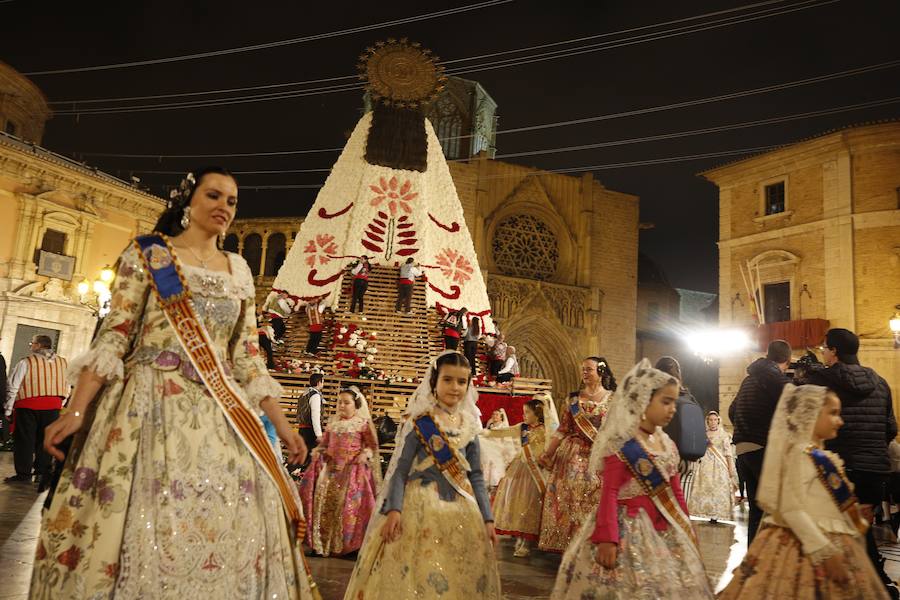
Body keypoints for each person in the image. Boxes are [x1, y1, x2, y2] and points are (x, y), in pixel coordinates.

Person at [30, 168, 314, 598]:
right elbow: (115, 336)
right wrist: (75, 410)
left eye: (232, 201)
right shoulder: (149, 254)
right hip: (147, 407)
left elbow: (248, 361)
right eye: (214, 195)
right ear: (188, 201)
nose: (224, 207)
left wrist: (286, 426)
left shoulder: (238, 272)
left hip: (223, 419)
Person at [550, 359, 714, 599]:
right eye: (666, 402)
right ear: (644, 401)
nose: (673, 409)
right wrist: (607, 538)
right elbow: (610, 492)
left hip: (662, 527)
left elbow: (675, 492)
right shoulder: (624, 444)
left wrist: (686, 529)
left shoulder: (666, 443)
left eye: (673, 402)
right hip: (626, 529)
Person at [343, 351, 501, 599]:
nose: (455, 387)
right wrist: (394, 509)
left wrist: (488, 518)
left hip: (462, 511)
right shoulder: (421, 423)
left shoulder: (469, 427)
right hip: (419, 508)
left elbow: (477, 476)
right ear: (434, 382)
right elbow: (399, 472)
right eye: (448, 380)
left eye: (462, 381)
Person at [719, 384, 890, 599]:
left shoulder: (819, 456)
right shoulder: (802, 456)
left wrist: (852, 514)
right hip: (804, 545)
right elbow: (791, 508)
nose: (840, 420)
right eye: (833, 413)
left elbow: (820, 500)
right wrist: (824, 552)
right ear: (810, 413)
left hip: (828, 539)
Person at [803, 328, 898, 598]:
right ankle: (874, 582)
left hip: (838, 467)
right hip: (874, 470)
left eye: (824, 347)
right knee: (859, 528)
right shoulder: (879, 382)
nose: (822, 352)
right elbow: (890, 428)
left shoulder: (822, 379)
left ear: (833, 351)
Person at [536, 356, 614, 553]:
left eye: (589, 369)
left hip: (600, 456)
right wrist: (548, 453)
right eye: (583, 370)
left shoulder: (613, 399)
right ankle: (569, 544)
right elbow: (562, 429)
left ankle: (593, 543)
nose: (584, 373)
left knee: (597, 498)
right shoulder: (573, 400)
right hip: (573, 454)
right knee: (570, 497)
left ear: (601, 372)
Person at [299, 386, 380, 557]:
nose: (342, 406)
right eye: (340, 402)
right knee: (324, 505)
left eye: (347, 403)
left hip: (352, 471)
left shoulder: (362, 424)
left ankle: (348, 546)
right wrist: (319, 452)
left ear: (356, 405)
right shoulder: (333, 424)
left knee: (348, 508)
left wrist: (365, 454)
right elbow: (325, 444)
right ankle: (321, 544)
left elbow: (372, 445)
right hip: (331, 471)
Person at [729, 339, 792, 544]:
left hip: (743, 449)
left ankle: (752, 562)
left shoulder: (749, 379)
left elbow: (732, 410)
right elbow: (796, 403)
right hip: (763, 448)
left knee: (757, 511)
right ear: (788, 360)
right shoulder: (774, 378)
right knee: (777, 509)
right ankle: (771, 564)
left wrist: (744, 427)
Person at [487, 398, 550, 557]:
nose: (524, 415)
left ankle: (527, 541)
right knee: (517, 501)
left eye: (527, 412)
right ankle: (519, 535)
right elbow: (503, 431)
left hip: (536, 471)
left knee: (530, 503)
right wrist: (484, 432)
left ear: (537, 413)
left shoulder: (546, 429)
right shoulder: (522, 428)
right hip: (521, 467)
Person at [4, 335, 68, 488]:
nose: (30, 345)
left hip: (28, 405)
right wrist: (61, 402)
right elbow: (67, 385)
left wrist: (8, 409)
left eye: (32, 343)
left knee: (24, 440)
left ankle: (23, 474)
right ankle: (40, 473)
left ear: (38, 345)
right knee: (44, 441)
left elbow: (13, 385)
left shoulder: (26, 362)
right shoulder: (63, 362)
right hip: (53, 406)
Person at [656, 356, 707, 494]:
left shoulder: (659, 396)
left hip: (666, 457)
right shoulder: (689, 396)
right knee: (682, 505)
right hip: (689, 460)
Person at [688, 411, 738, 522]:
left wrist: (730, 468)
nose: (713, 422)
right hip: (705, 465)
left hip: (719, 466)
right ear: (707, 421)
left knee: (718, 489)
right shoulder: (704, 434)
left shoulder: (724, 435)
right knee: (706, 488)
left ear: (718, 421)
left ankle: (717, 514)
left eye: (715, 419)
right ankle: (706, 512)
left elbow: (728, 452)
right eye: (710, 420)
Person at [478, 408, 517, 489]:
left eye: (497, 415)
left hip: (498, 450)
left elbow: (507, 441)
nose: (494, 416)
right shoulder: (490, 426)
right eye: (493, 414)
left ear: (501, 417)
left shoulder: (503, 427)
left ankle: (494, 483)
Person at [297, 372, 325, 467]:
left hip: (302, 429)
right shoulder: (315, 395)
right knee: (310, 459)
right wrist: (319, 434)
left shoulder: (304, 394)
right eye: (322, 381)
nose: (323, 383)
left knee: (303, 457)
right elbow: (315, 416)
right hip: (310, 431)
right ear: (318, 382)